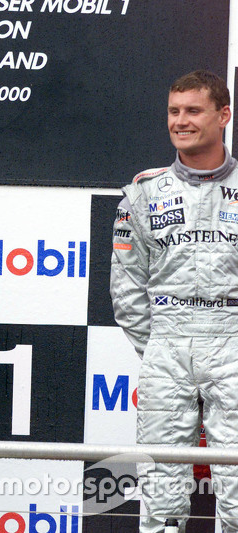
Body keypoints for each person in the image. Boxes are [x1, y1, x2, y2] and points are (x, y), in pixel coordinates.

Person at [110, 70, 238, 532]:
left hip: (234, 343)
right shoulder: (144, 191)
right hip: (165, 344)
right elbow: (126, 288)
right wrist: (163, 343)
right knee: (161, 487)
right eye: (173, 111)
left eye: (193, 111)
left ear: (224, 115)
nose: (180, 121)